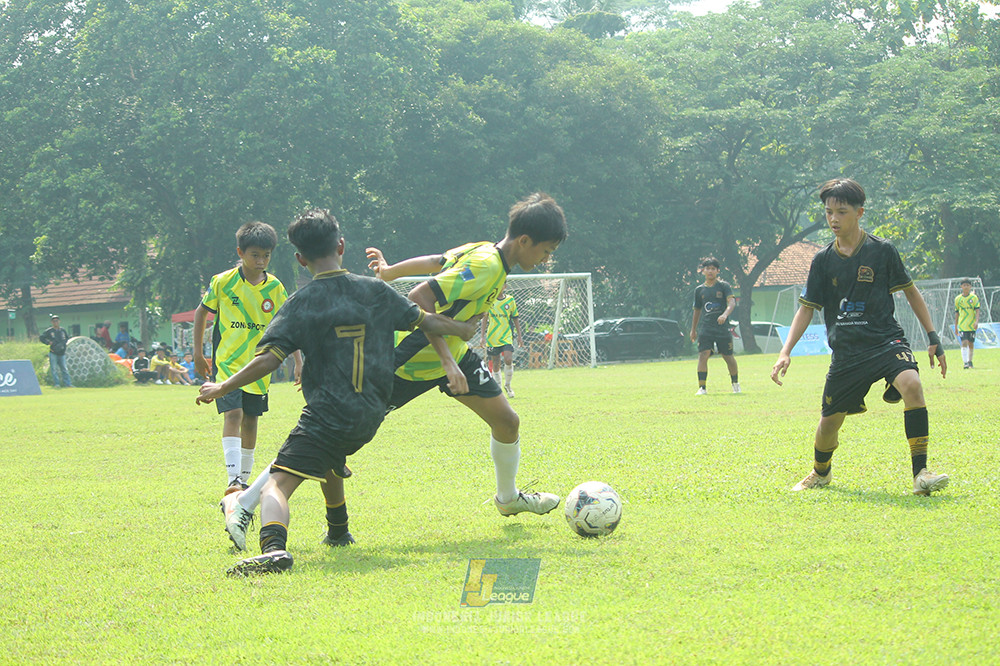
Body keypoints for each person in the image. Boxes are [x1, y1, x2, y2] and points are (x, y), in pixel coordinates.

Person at [200, 208, 479, 575]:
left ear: (299, 259)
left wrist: (223, 385)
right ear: (342, 246)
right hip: (372, 412)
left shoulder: (301, 302)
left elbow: (268, 360)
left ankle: (272, 549)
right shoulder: (376, 290)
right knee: (329, 457)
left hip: (327, 413)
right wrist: (461, 328)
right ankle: (338, 531)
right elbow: (426, 321)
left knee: (276, 485)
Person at [367, 192, 568, 519]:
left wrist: (391, 272)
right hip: (412, 360)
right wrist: (447, 362)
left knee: (507, 421)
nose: (547, 259)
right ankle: (263, 494)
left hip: (455, 355)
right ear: (525, 240)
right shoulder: (486, 265)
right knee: (343, 434)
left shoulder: (484, 250)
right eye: (546, 251)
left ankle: (508, 498)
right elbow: (420, 297)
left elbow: (437, 261)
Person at [770, 178, 949, 496]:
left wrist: (933, 336)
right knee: (828, 427)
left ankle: (920, 473)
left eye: (841, 211)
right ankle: (820, 472)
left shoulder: (882, 251)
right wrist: (786, 351)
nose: (834, 219)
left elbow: (911, 292)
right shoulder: (822, 261)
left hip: (885, 341)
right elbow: (806, 310)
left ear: (859, 212)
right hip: (847, 353)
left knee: (912, 384)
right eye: (828, 212)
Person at [193, 221, 302, 495]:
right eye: (255, 255)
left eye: (266, 256)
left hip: (259, 365)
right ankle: (232, 479)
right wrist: (198, 354)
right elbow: (200, 313)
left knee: (251, 419)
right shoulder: (222, 282)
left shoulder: (275, 288)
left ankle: (243, 477)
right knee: (234, 413)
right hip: (228, 363)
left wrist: (298, 361)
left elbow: (288, 324)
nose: (261, 261)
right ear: (240, 252)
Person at [690, 257, 740, 394]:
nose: (710, 271)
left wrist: (724, 315)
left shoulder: (724, 286)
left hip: (722, 328)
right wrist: (693, 330)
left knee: (727, 356)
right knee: (703, 355)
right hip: (706, 328)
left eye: (713, 268)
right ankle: (702, 387)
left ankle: (735, 383)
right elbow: (697, 310)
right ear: (703, 271)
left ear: (717, 271)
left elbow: (732, 303)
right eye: (707, 268)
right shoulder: (699, 290)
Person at [480, 288, 524, 398]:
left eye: (502, 284)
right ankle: (499, 390)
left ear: (505, 286)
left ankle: (508, 385)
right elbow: (484, 318)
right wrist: (482, 337)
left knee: (508, 359)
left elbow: (515, 318)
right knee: (495, 362)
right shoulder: (489, 300)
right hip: (492, 337)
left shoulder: (510, 300)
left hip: (506, 336)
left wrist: (519, 336)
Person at [40, 314, 73, 388]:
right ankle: (57, 384)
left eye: (57, 321)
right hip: (53, 352)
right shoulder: (49, 331)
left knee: (64, 369)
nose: (56, 322)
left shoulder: (63, 330)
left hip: (62, 353)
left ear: (59, 321)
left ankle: (67, 384)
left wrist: (63, 345)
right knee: (54, 369)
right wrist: (48, 342)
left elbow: (66, 338)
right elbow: (41, 338)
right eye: (54, 321)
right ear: (52, 322)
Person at [954, 278, 980, 370]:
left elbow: (977, 310)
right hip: (962, 325)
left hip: (971, 325)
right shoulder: (958, 299)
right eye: (964, 285)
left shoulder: (974, 298)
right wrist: (956, 326)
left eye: (968, 285)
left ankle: (970, 361)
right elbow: (957, 313)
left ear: (970, 287)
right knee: (964, 342)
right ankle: (965, 362)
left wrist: (976, 321)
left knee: (971, 343)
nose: (966, 287)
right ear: (961, 287)